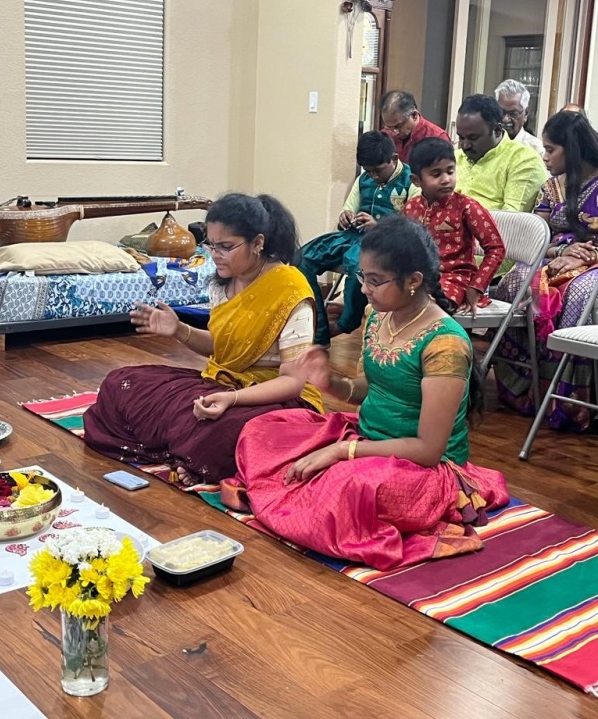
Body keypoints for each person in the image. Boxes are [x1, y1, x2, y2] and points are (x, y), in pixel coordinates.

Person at [222, 214, 509, 571]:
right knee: (264, 429)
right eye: (362, 277)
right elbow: (364, 390)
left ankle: (307, 504)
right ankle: (306, 502)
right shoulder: (378, 316)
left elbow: (428, 450)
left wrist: (343, 451)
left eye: (374, 281)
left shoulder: (445, 343)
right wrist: (329, 382)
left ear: (413, 281)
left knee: (350, 487)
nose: (363, 290)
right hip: (368, 437)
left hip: (425, 469)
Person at [83, 192, 323, 484]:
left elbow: (293, 383)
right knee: (122, 383)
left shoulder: (291, 289)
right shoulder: (223, 283)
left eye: (226, 246)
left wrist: (232, 399)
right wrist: (179, 330)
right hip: (221, 382)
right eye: (210, 244)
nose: (214, 254)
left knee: (227, 430)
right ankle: (186, 453)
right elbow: (221, 347)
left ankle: (193, 455)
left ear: (258, 243)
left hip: (277, 398)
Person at [494, 111, 598, 431]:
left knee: (579, 294)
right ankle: (530, 388)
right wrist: (561, 251)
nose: (545, 155)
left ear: (572, 147)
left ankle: (568, 401)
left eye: (551, 149)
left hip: (594, 261)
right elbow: (539, 233)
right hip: (556, 254)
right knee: (514, 282)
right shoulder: (551, 187)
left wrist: (583, 257)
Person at [297, 131, 416, 346]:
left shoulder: (411, 181)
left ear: (394, 159)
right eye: (368, 172)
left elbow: (413, 228)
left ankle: (347, 322)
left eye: (377, 171)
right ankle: (318, 328)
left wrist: (378, 227)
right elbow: (349, 208)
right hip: (353, 237)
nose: (373, 177)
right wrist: (346, 216)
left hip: (386, 243)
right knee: (302, 258)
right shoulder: (363, 180)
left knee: (356, 264)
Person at [404, 138, 505, 315]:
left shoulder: (466, 207)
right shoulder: (411, 207)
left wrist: (476, 287)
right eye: (436, 174)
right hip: (418, 278)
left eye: (450, 171)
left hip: (455, 280)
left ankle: (440, 342)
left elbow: (496, 248)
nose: (446, 180)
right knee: (387, 297)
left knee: (426, 308)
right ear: (416, 180)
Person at [455, 94, 547, 213]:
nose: (465, 145)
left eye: (473, 138)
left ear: (497, 131)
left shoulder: (523, 161)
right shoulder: (454, 157)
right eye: (461, 138)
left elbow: (510, 221)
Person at [380, 90, 450, 164]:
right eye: (390, 127)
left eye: (399, 126)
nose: (394, 132)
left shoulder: (437, 137)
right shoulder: (385, 135)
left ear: (414, 115)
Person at [494, 79, 545, 157]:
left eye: (513, 114)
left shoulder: (536, 150)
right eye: (501, 112)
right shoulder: (486, 144)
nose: (505, 119)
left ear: (525, 114)